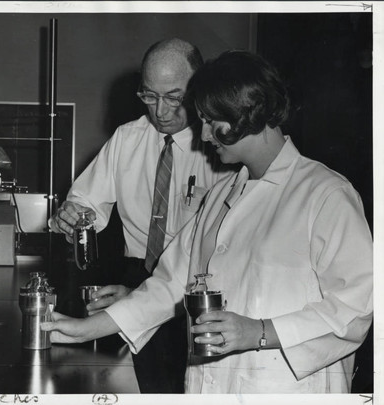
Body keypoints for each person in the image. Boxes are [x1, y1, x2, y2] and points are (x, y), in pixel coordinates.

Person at [43, 50, 373, 394]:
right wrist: (86, 329)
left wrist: (259, 332)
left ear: (246, 113)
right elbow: (169, 284)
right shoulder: (220, 198)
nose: (202, 136)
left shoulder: (325, 194)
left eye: (209, 121)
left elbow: (358, 306)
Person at [49, 38, 222, 393]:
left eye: (174, 97)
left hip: (200, 286)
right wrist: (72, 217)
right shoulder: (127, 139)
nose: (160, 111)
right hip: (135, 276)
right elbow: (86, 205)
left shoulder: (220, 146)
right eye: (149, 96)